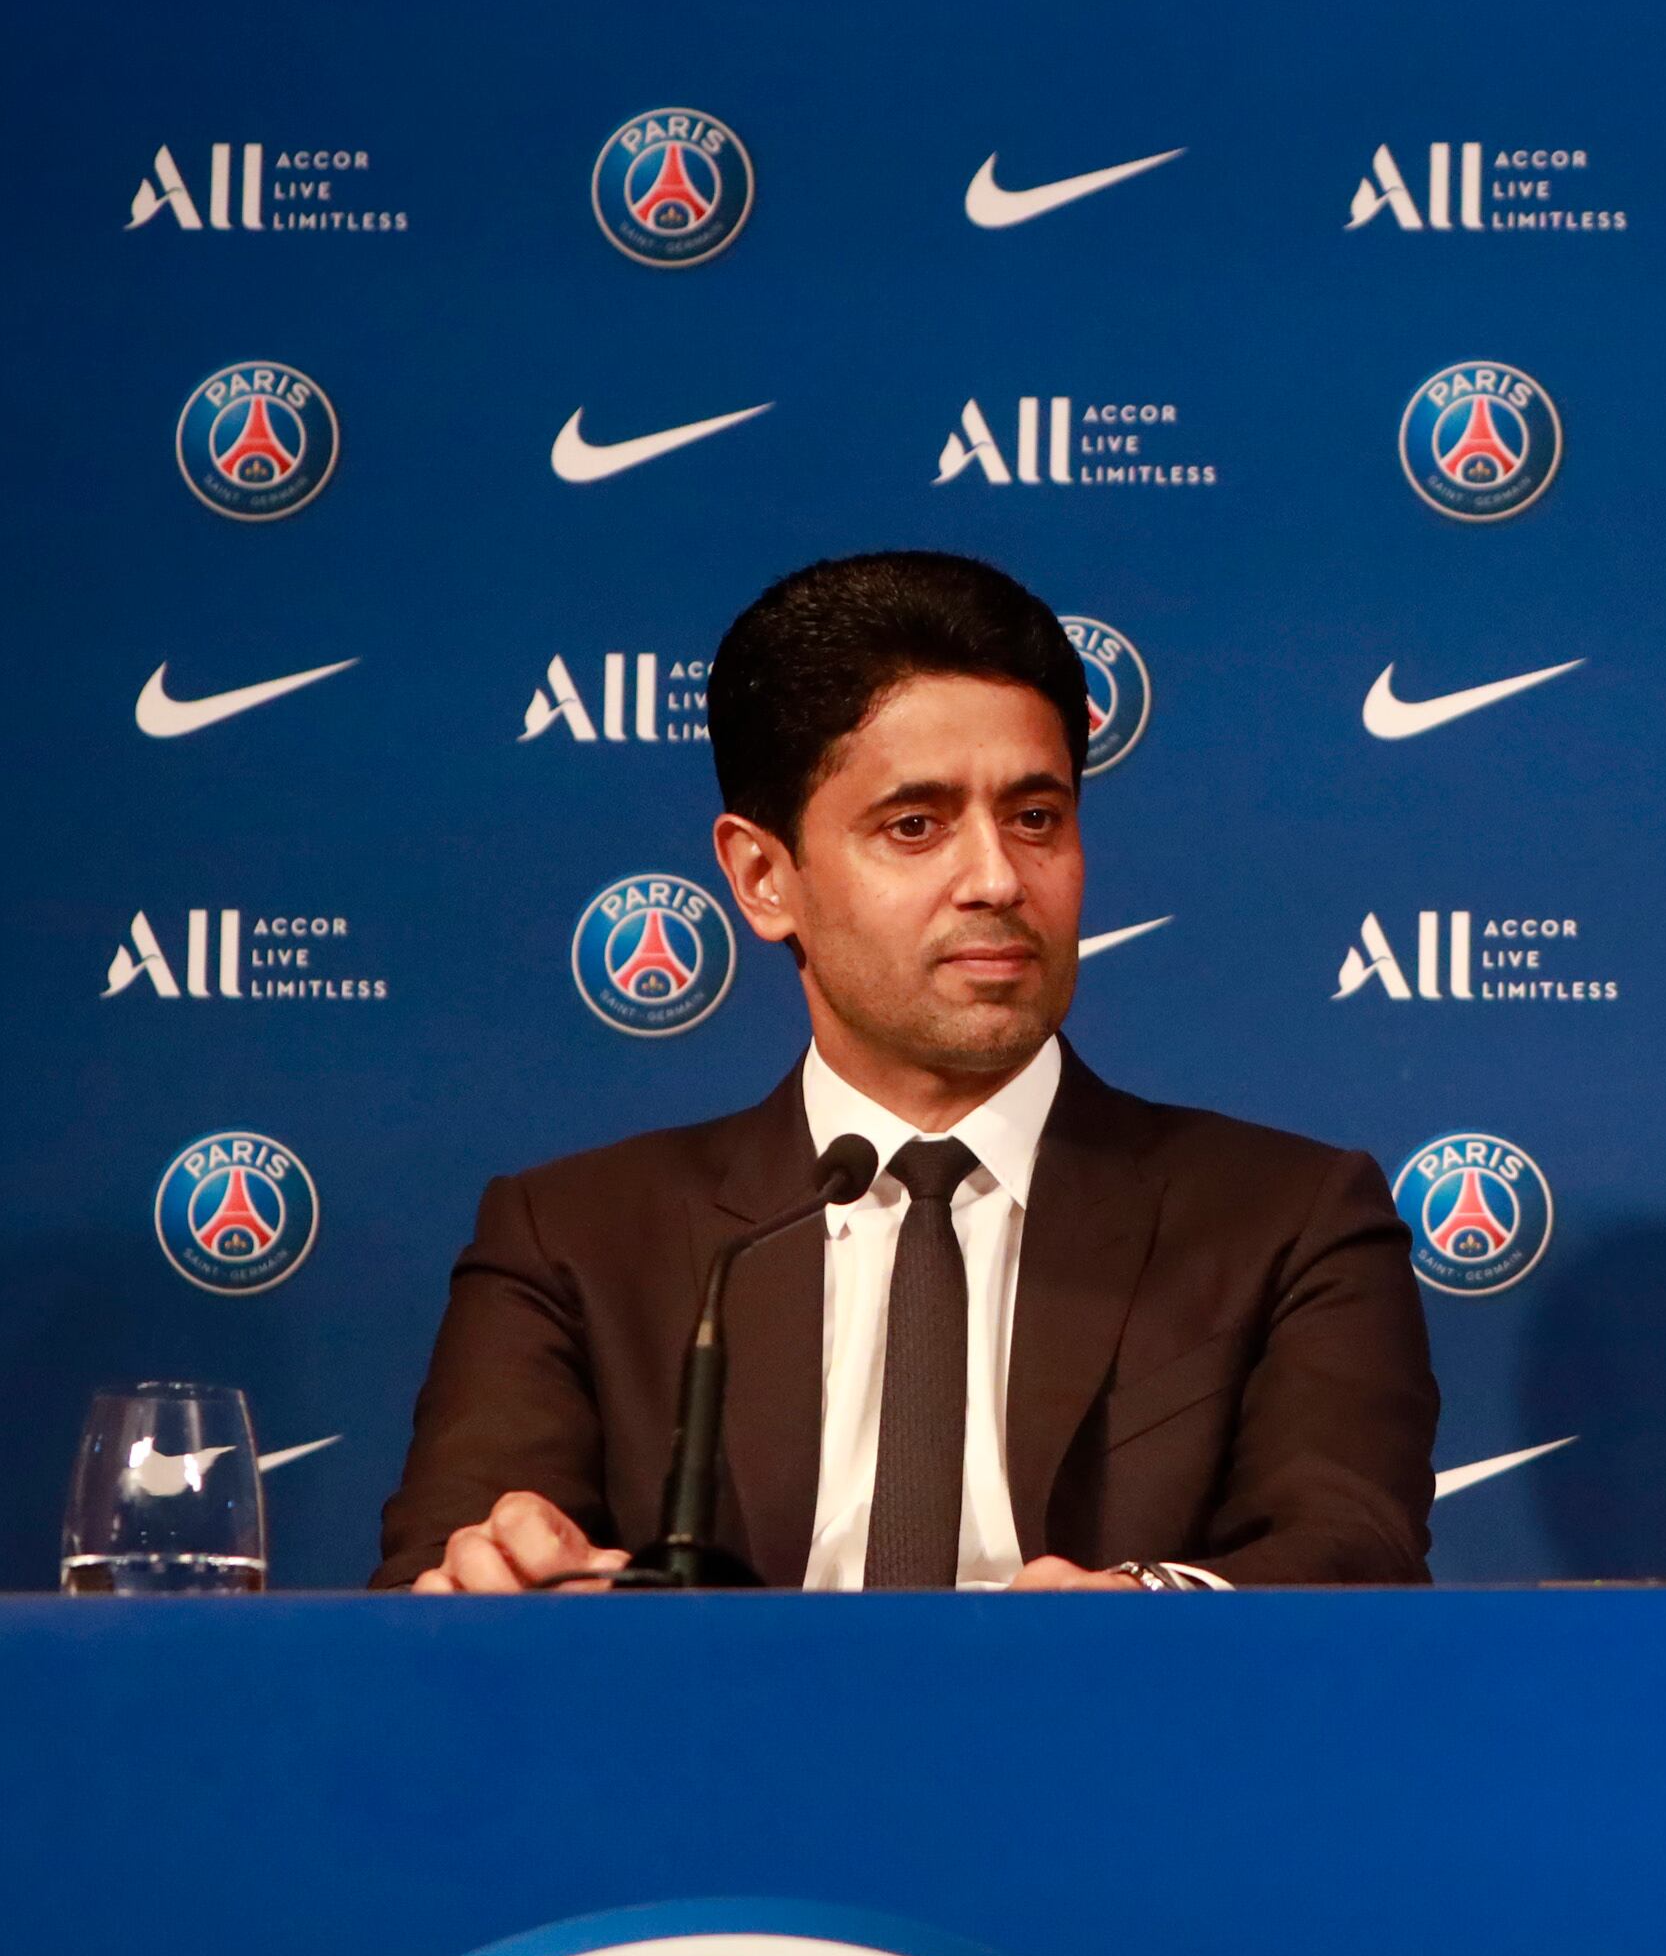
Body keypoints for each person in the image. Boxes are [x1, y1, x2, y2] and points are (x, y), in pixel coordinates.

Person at [378, 551, 1435, 1590]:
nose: (996, 878)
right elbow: (440, 1591)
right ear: (762, 877)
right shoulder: (578, 1243)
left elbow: (1351, 1554)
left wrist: (1146, 1610)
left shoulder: (1287, 1221)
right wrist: (502, 1589)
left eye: (1036, 818)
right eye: (915, 826)